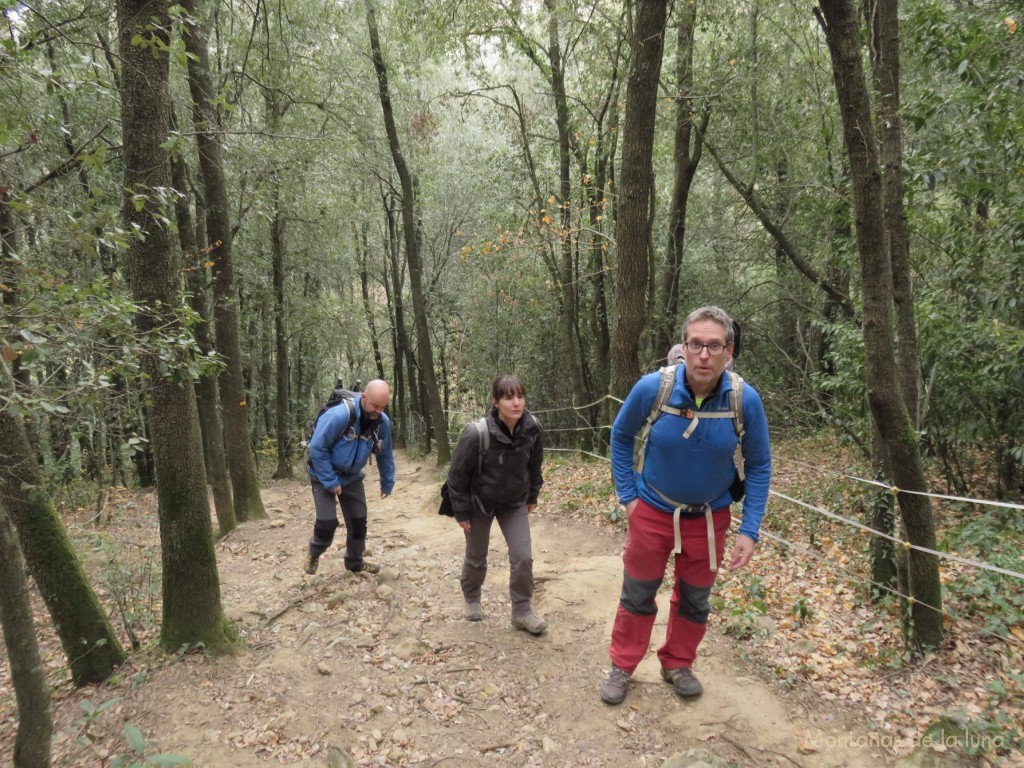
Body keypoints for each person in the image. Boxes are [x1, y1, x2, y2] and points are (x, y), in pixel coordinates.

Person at [600, 306, 771, 704]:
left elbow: (760, 465)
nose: (704, 355)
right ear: (684, 346)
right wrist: (628, 497)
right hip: (653, 511)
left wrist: (750, 530)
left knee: (695, 598)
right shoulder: (652, 388)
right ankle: (623, 666)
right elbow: (621, 437)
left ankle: (677, 663)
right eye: (697, 344)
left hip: (711, 518)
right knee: (638, 593)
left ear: (729, 351)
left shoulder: (745, 400)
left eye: (714, 345)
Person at [446, 375, 547, 636]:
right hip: (479, 503)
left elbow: (535, 467)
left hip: (514, 503)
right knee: (477, 556)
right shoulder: (476, 433)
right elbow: (457, 475)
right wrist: (462, 511)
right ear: (495, 402)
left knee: (523, 557)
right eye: (508, 397)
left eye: (520, 396)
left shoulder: (533, 428)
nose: (516, 403)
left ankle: (522, 611)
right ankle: (472, 599)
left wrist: (532, 496)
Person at [304, 379, 395, 575]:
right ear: (364, 398)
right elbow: (317, 448)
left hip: (352, 477)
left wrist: (387, 482)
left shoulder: (382, 423)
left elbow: (385, 453)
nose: (378, 411)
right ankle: (315, 551)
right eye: (375, 405)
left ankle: (355, 562)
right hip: (322, 474)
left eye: (383, 406)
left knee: (358, 521)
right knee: (327, 523)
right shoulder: (339, 415)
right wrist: (330, 481)